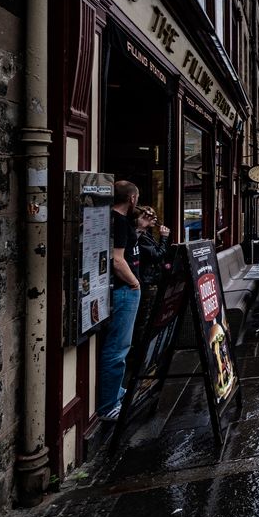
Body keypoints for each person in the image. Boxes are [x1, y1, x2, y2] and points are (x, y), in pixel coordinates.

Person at [98, 180, 142, 421]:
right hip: (123, 290)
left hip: (117, 289)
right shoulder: (120, 221)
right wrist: (134, 283)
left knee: (117, 345)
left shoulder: (111, 218)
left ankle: (116, 391)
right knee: (118, 347)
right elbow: (117, 260)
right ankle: (108, 405)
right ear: (132, 199)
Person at [133, 206, 171, 344]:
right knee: (144, 317)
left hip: (151, 278)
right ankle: (139, 347)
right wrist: (164, 238)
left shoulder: (147, 234)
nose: (154, 218)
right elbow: (156, 255)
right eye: (150, 216)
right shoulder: (141, 237)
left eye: (155, 216)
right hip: (146, 280)